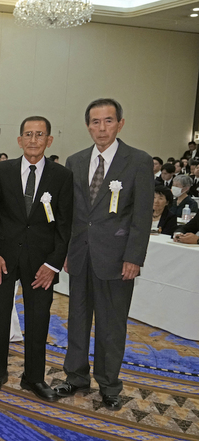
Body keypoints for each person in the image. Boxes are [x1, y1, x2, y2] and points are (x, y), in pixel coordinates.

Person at [55, 98, 153, 411]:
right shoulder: (76, 160)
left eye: (108, 121)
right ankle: (76, 376)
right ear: (88, 126)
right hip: (81, 255)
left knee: (112, 326)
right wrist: (68, 250)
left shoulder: (137, 160)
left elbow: (141, 216)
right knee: (77, 319)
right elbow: (71, 213)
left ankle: (110, 384)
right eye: (95, 122)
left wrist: (134, 257)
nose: (101, 128)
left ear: (120, 123)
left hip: (117, 258)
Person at [0, 116, 73, 401]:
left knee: (38, 320)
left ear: (49, 140)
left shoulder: (62, 176)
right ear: (19, 140)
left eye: (40, 134)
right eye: (28, 134)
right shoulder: (1, 170)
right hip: (3, 259)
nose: (34, 140)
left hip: (41, 264)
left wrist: (53, 264)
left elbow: (65, 226)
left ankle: (33, 378)